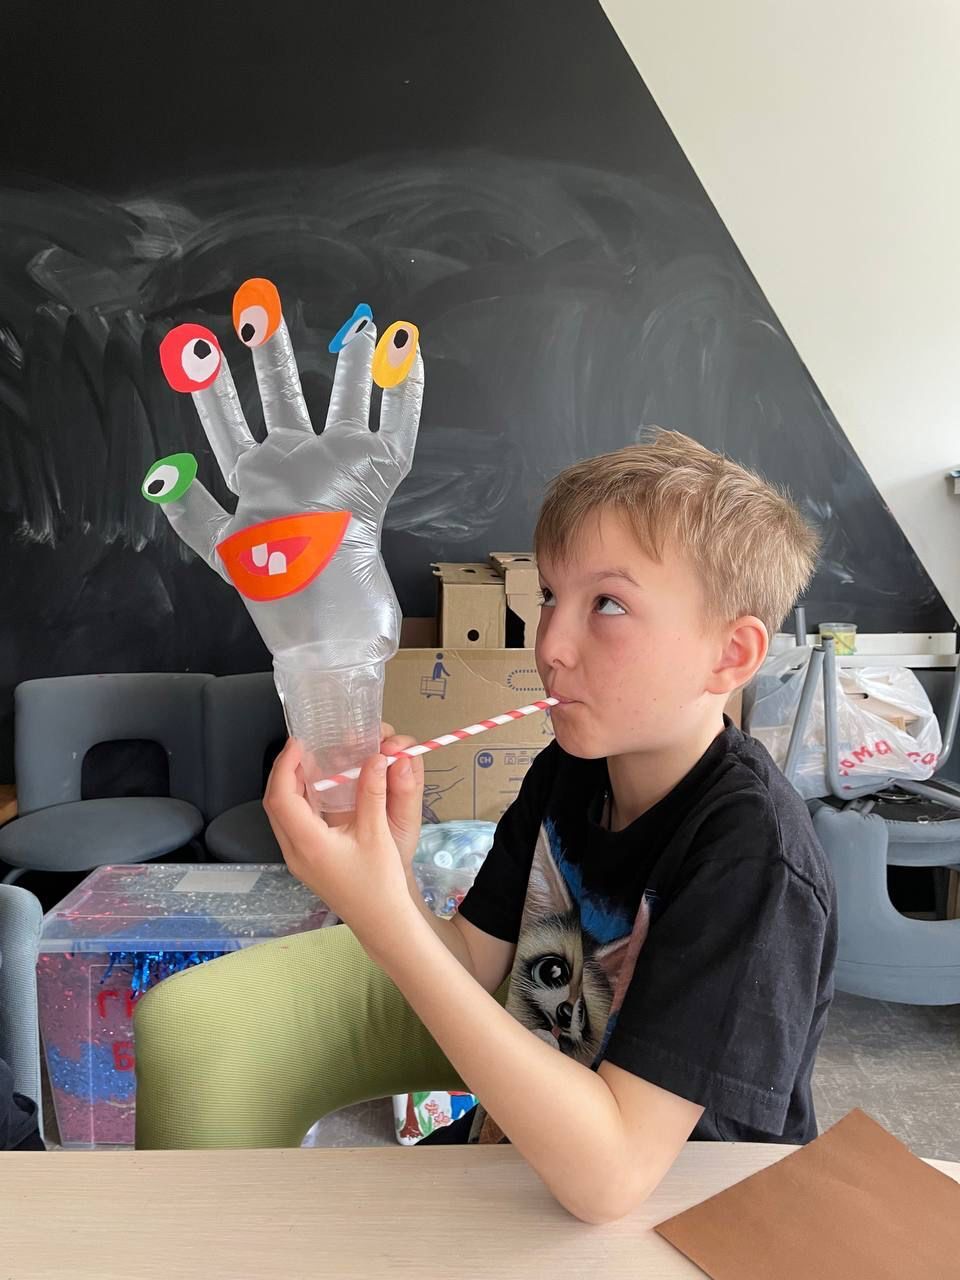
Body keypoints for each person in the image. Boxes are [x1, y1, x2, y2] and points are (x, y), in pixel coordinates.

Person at [264, 428, 836, 1225]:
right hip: (528, 1157)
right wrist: (388, 875)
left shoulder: (753, 859)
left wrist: (380, 915)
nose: (551, 646)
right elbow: (472, 961)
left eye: (608, 605)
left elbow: (613, 1180)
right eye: (547, 597)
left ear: (730, 655)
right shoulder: (568, 771)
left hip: (689, 1217)